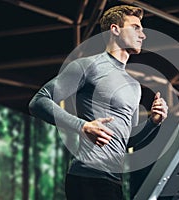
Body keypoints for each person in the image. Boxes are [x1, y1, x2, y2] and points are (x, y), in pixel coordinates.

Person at [29, 5, 168, 200]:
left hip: (114, 180)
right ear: (115, 29)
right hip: (87, 177)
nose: (143, 35)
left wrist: (153, 122)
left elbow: (126, 140)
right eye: (136, 27)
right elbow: (38, 101)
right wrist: (83, 126)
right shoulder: (88, 66)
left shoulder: (134, 86)